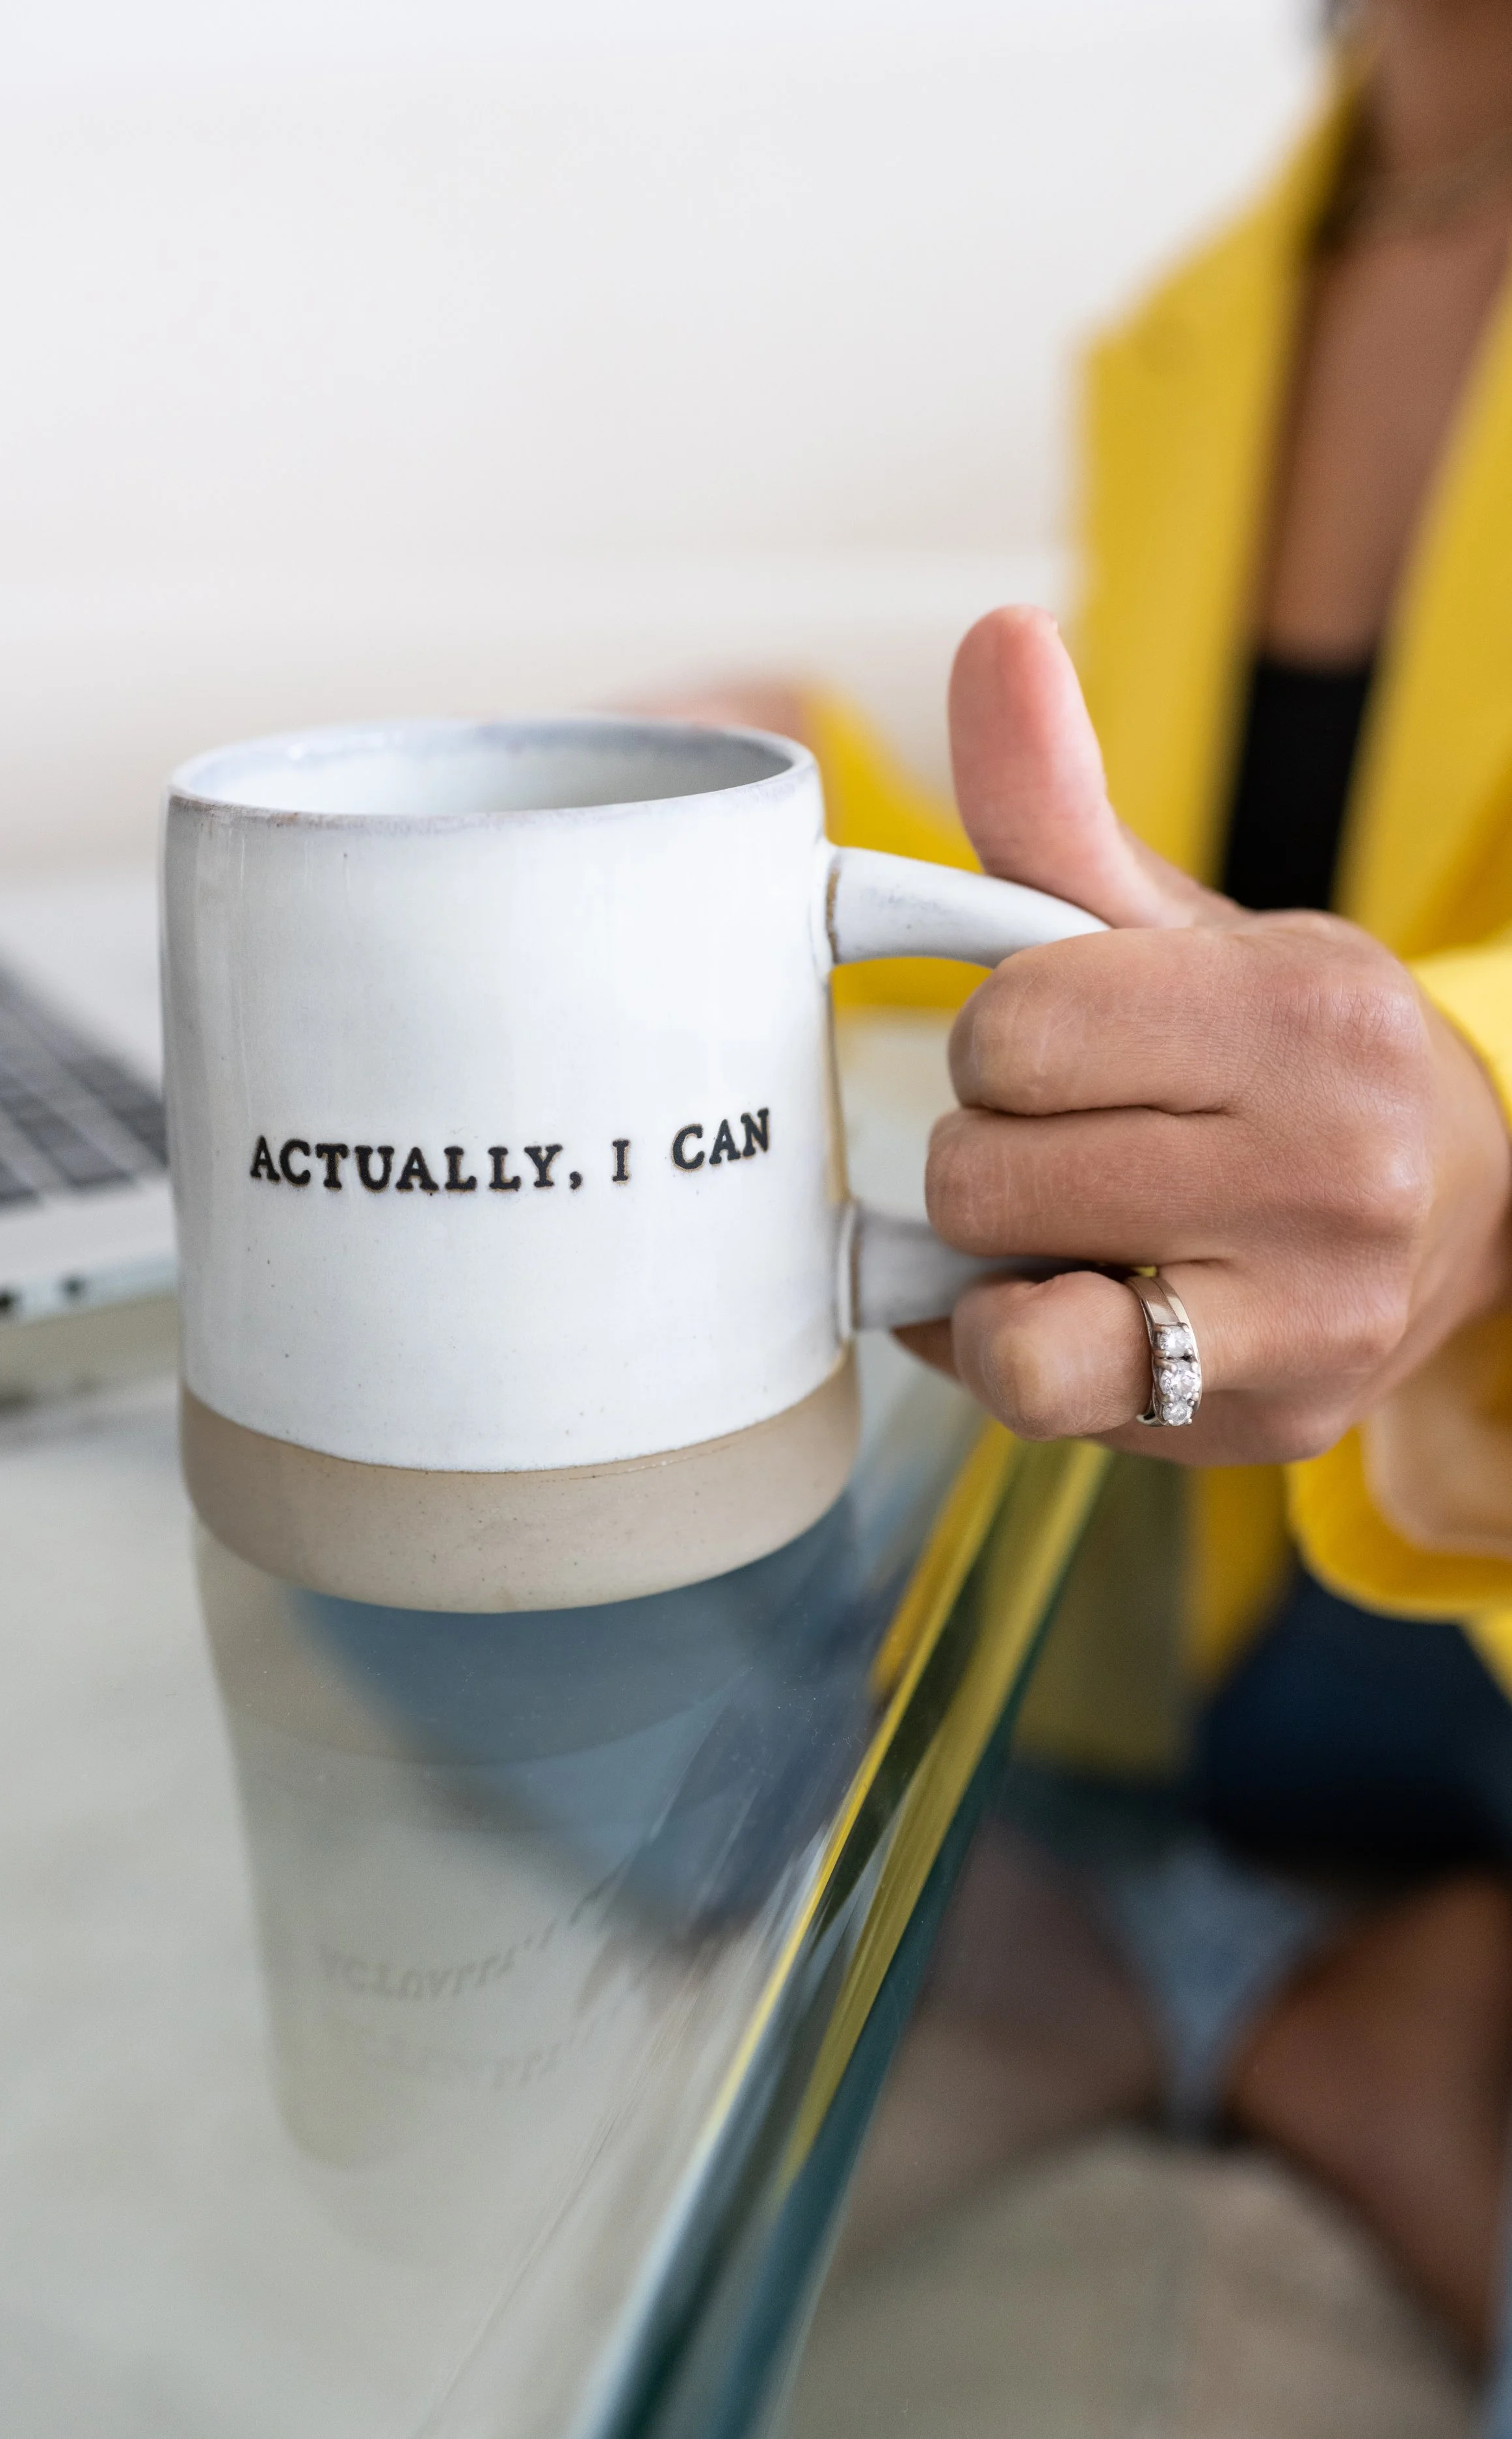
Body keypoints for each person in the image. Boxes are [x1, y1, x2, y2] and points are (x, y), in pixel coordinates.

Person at [664, 0, 1512, 2388]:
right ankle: (1247, 1975)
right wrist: (802, 778)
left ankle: (1194, 1968)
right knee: (472, 1533)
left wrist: (1477, 1114)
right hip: (1238, 1574)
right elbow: (1212, 887)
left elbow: (1390, 1009)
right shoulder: (1203, 317)